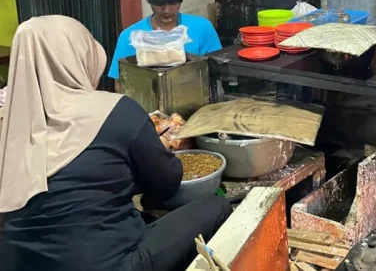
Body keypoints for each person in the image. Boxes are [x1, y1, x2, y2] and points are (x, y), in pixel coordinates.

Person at [0, 16, 232, 271]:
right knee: (217, 207)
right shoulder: (114, 111)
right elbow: (166, 183)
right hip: (112, 264)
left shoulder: (10, 128)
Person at [108, 0, 222, 81]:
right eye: (159, 3)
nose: (167, 10)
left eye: (173, 3)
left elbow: (217, 72)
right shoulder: (130, 37)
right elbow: (119, 83)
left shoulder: (202, 28)